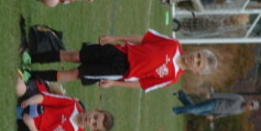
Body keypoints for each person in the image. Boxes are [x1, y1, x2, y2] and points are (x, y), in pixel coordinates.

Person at [26, 29, 217, 91]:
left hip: (120, 70)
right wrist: (115, 38)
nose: (194, 59)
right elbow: (143, 39)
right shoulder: (173, 44)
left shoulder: (171, 78)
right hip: (118, 51)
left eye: (198, 63)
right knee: (73, 55)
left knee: (75, 73)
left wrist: (114, 83)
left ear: (196, 72)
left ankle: (31, 75)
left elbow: (141, 84)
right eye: (198, 55)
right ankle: (31, 58)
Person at [14, 74, 114, 131]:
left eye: (94, 124)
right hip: (33, 106)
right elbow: (45, 98)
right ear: (95, 110)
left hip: (32, 129)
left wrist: (31, 126)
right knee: (19, 86)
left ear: (93, 130)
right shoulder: (72, 103)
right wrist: (30, 100)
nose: (91, 120)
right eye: (95, 116)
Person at [173, 89, 259, 120]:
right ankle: (175, 110)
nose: (250, 105)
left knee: (194, 109)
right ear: (250, 101)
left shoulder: (240, 111)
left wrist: (214, 117)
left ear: (251, 109)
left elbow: (225, 114)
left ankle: (181, 94)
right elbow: (225, 95)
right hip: (214, 104)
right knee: (194, 110)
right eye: (251, 103)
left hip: (213, 111)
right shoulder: (239, 98)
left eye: (251, 106)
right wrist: (212, 95)